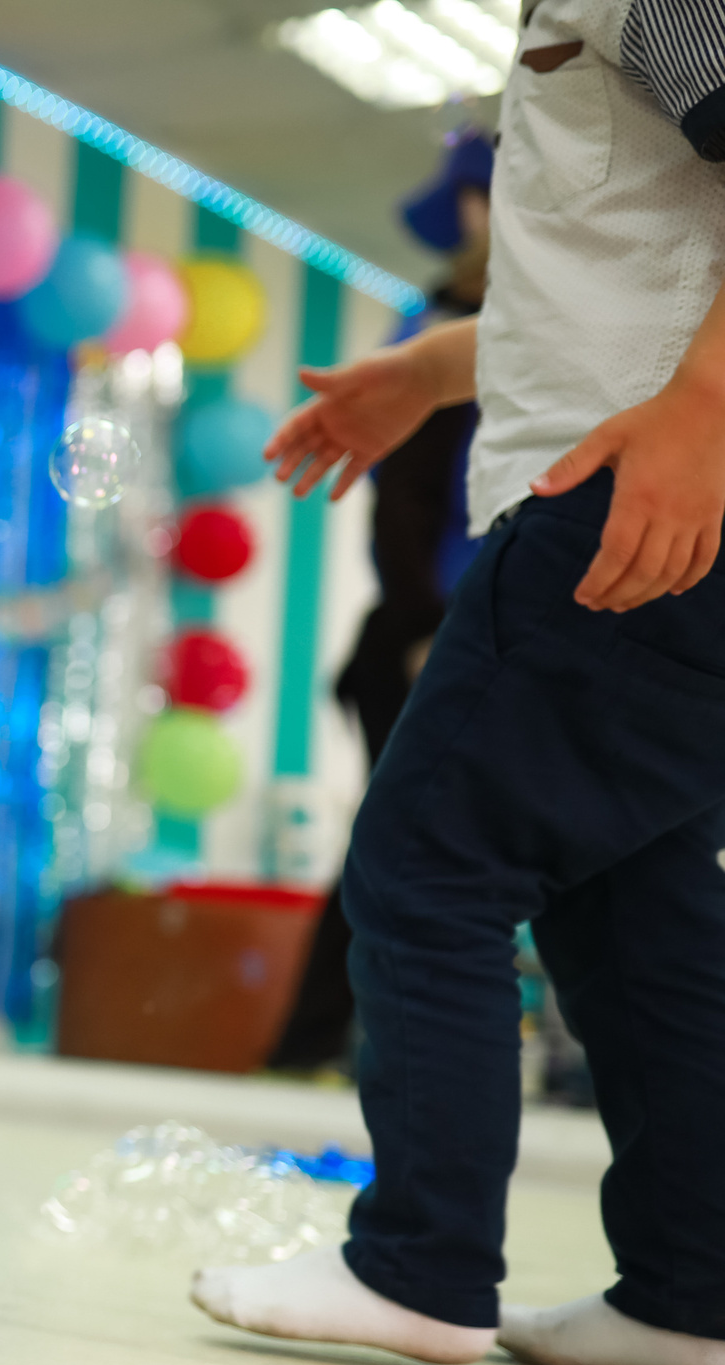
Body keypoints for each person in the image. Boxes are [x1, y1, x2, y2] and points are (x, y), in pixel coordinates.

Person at [192, 0, 725, 1365]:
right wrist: (427, 373)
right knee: (635, 914)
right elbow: (630, 264)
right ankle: (695, 1289)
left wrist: (703, 407)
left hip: (622, 495)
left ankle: (416, 1263)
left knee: (428, 860)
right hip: (663, 496)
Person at [266, 134, 490, 1075]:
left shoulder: (511, 325)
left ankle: (332, 1048)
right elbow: (406, 504)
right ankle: (316, 1048)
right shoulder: (436, 338)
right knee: (401, 850)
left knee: (429, 852)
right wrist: (427, 625)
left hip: (479, 628)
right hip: (430, 635)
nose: (478, 223)